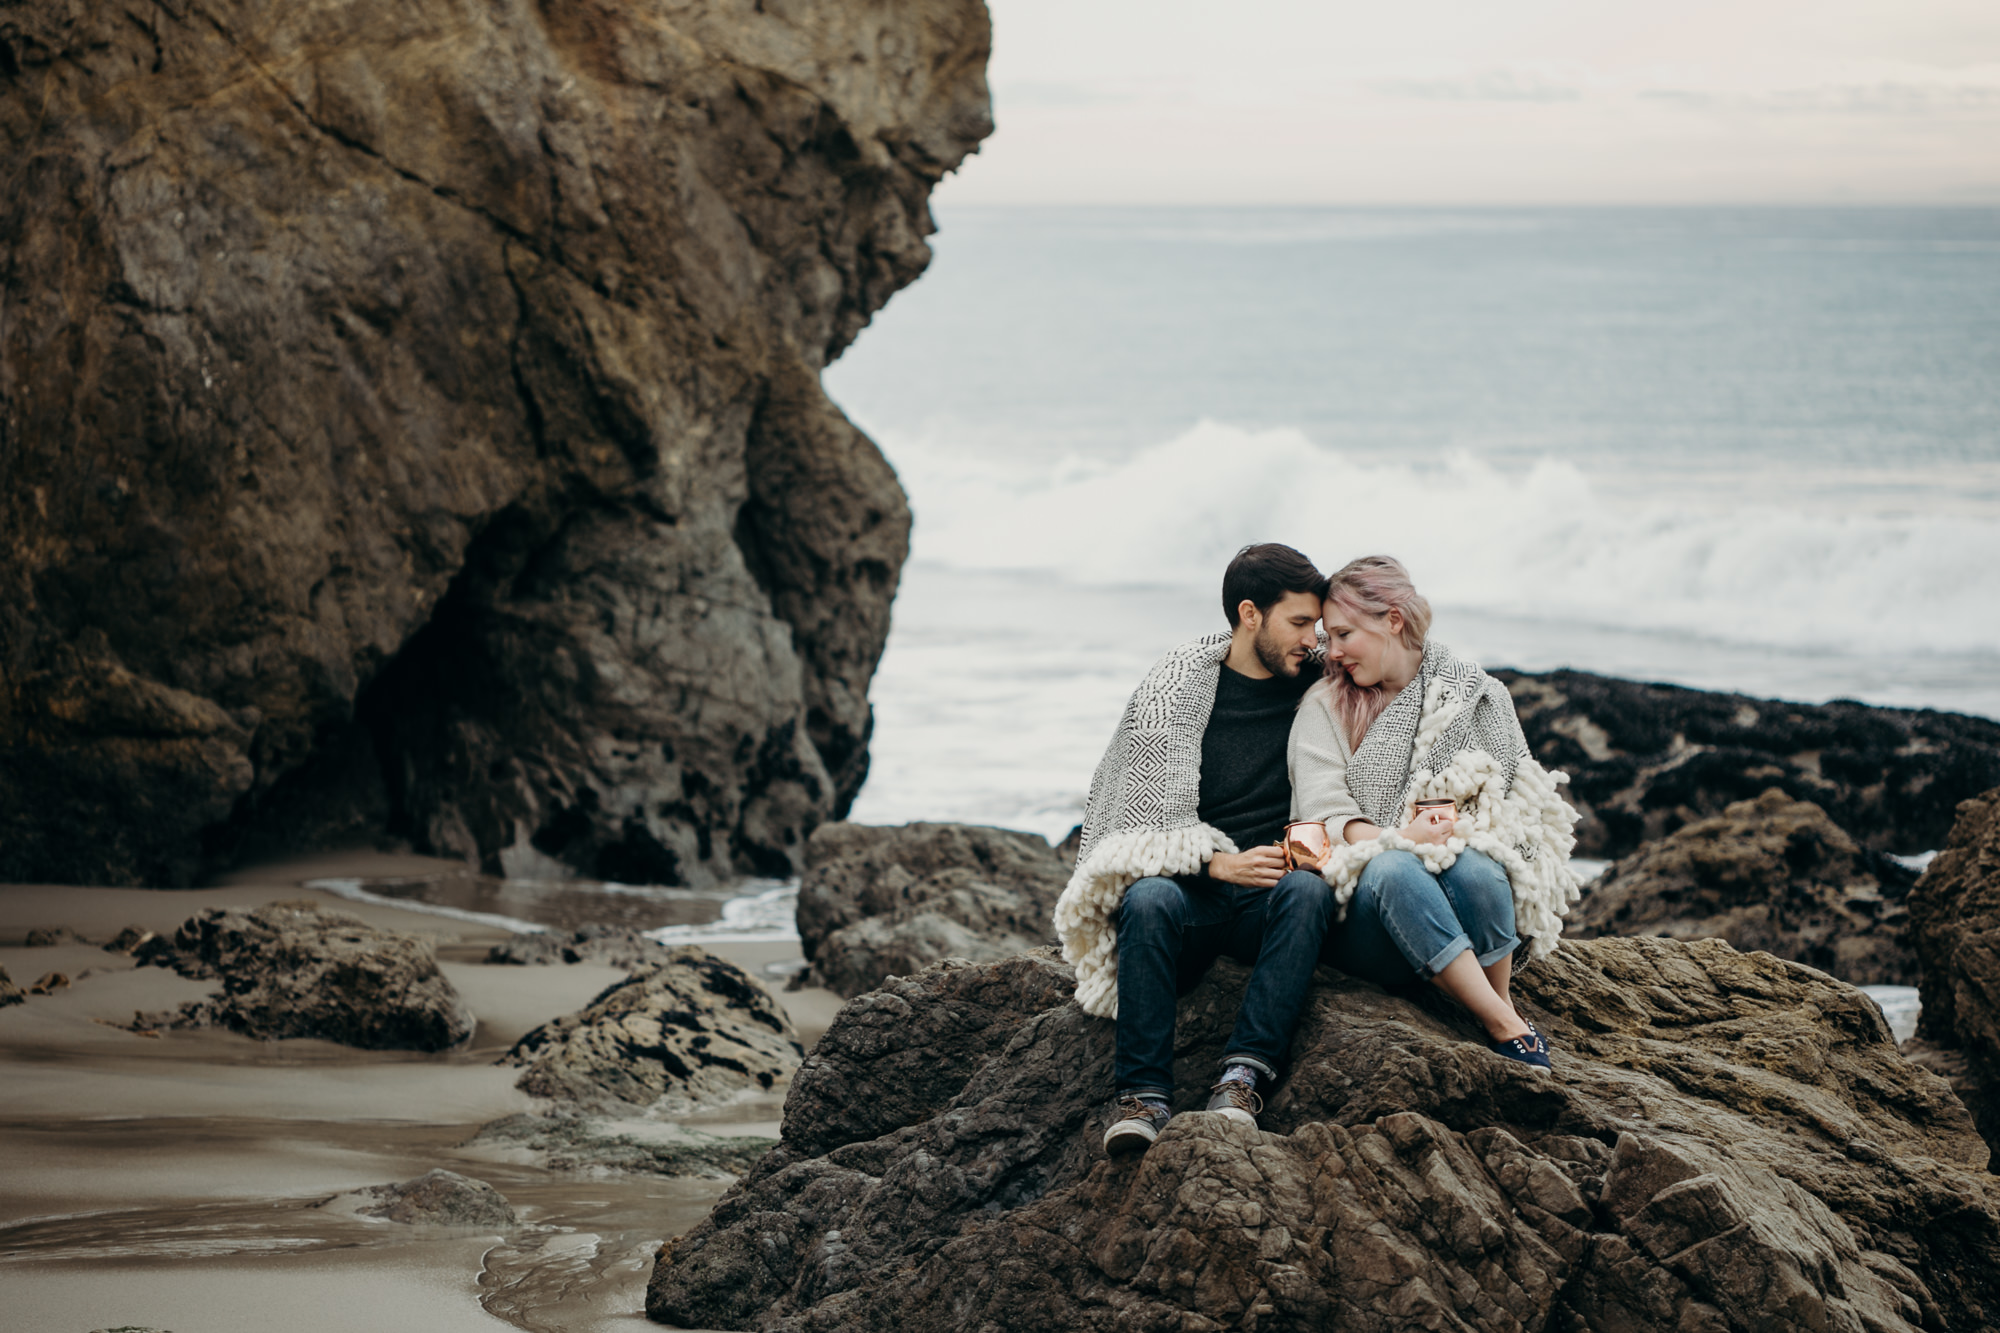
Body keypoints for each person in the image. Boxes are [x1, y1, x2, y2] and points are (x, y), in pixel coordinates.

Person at [1055, 543, 1337, 1155]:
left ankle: (1241, 1080)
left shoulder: (1320, 685)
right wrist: (1217, 862)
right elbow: (1136, 816)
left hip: (1270, 897)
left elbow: (1407, 671)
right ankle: (1142, 1099)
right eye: (1298, 623)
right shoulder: (1176, 688)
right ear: (1249, 614)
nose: (1310, 638)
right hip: (1195, 894)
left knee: (1310, 892)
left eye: (1316, 625)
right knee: (1149, 898)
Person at [1288, 555, 1582, 1070]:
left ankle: (1497, 1001)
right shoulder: (1324, 706)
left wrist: (1456, 832)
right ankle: (1504, 1022)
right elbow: (1321, 809)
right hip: (1360, 911)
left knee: (1477, 866)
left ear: (1393, 621)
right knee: (1395, 867)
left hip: (1460, 897)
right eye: (1326, 638)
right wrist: (1400, 838)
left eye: (1342, 634)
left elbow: (1519, 808)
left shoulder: (1478, 696)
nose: (1331, 652)